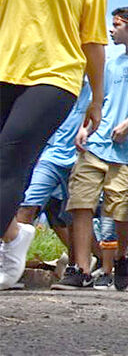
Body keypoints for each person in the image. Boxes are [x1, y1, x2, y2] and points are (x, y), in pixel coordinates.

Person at [0, 0, 108, 289]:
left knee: (10, 158)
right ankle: (14, 234)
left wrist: (96, 99)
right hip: (4, 70)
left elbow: (94, 45)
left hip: (55, 79)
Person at [53, 7, 128, 291]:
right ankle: (81, 268)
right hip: (96, 145)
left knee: (121, 211)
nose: (111, 30)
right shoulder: (108, 65)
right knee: (80, 202)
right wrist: (85, 127)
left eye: (116, 24)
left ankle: (120, 258)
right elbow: (97, 100)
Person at [8, 80, 92, 286]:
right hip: (51, 155)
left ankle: (77, 268)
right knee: (28, 203)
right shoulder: (52, 85)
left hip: (82, 154)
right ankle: (10, 262)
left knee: (74, 213)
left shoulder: (95, 89)